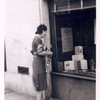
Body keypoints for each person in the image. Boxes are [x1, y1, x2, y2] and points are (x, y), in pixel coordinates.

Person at [31, 24, 53, 100]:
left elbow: (36, 52)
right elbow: (40, 52)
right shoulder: (38, 40)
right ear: (43, 31)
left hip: (37, 63)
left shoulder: (35, 39)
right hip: (39, 64)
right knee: (39, 85)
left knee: (39, 86)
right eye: (45, 32)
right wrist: (49, 53)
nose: (45, 34)